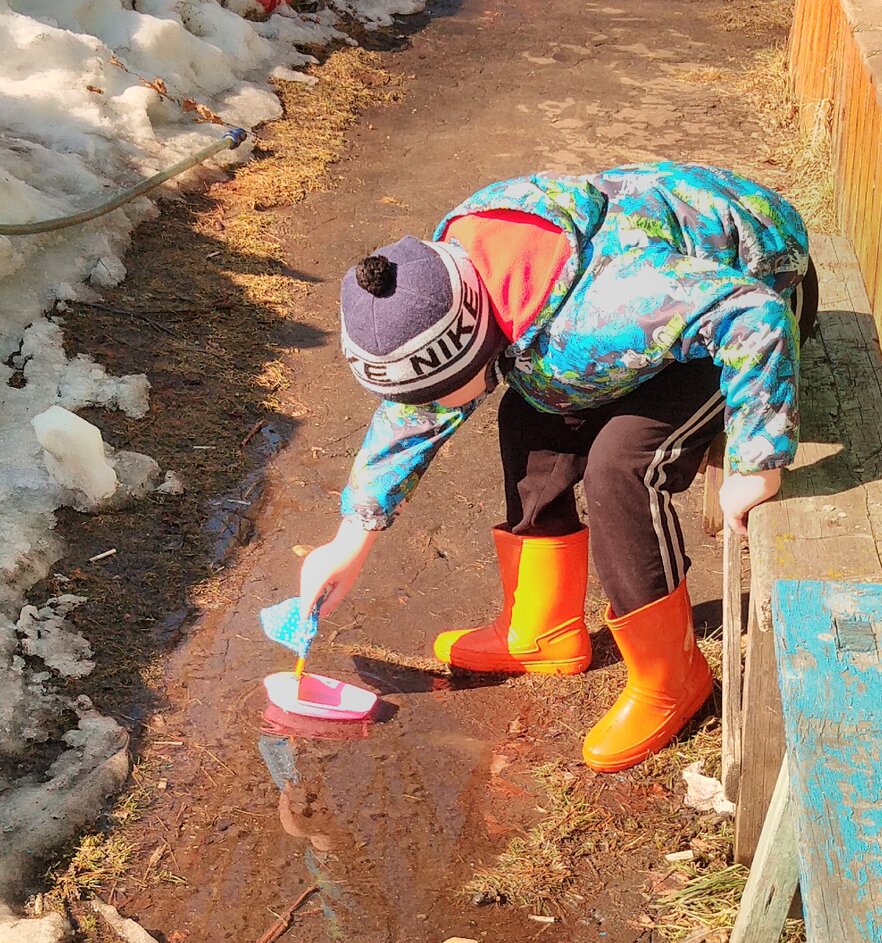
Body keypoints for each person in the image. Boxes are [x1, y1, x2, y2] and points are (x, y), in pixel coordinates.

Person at [296, 161, 817, 772]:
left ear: (479, 343)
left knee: (621, 466)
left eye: (442, 387)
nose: (428, 408)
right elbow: (421, 405)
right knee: (530, 416)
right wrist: (351, 536)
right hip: (631, 324)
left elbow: (757, 319)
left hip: (756, 299)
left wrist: (758, 460)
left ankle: (672, 676)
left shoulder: (617, 300)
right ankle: (543, 632)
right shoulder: (452, 278)